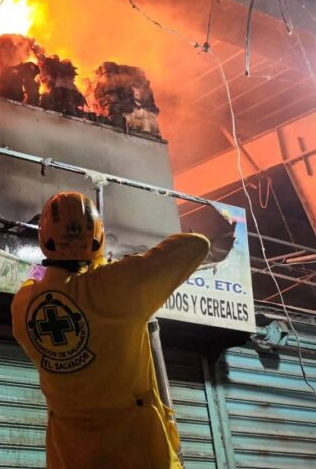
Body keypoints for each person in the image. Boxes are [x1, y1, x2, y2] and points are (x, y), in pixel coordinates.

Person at [11, 191, 210, 469]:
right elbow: (196, 245)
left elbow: (39, 280)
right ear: (98, 237)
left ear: (44, 238)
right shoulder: (115, 287)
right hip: (140, 455)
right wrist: (104, 264)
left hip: (70, 459)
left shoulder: (23, 304)